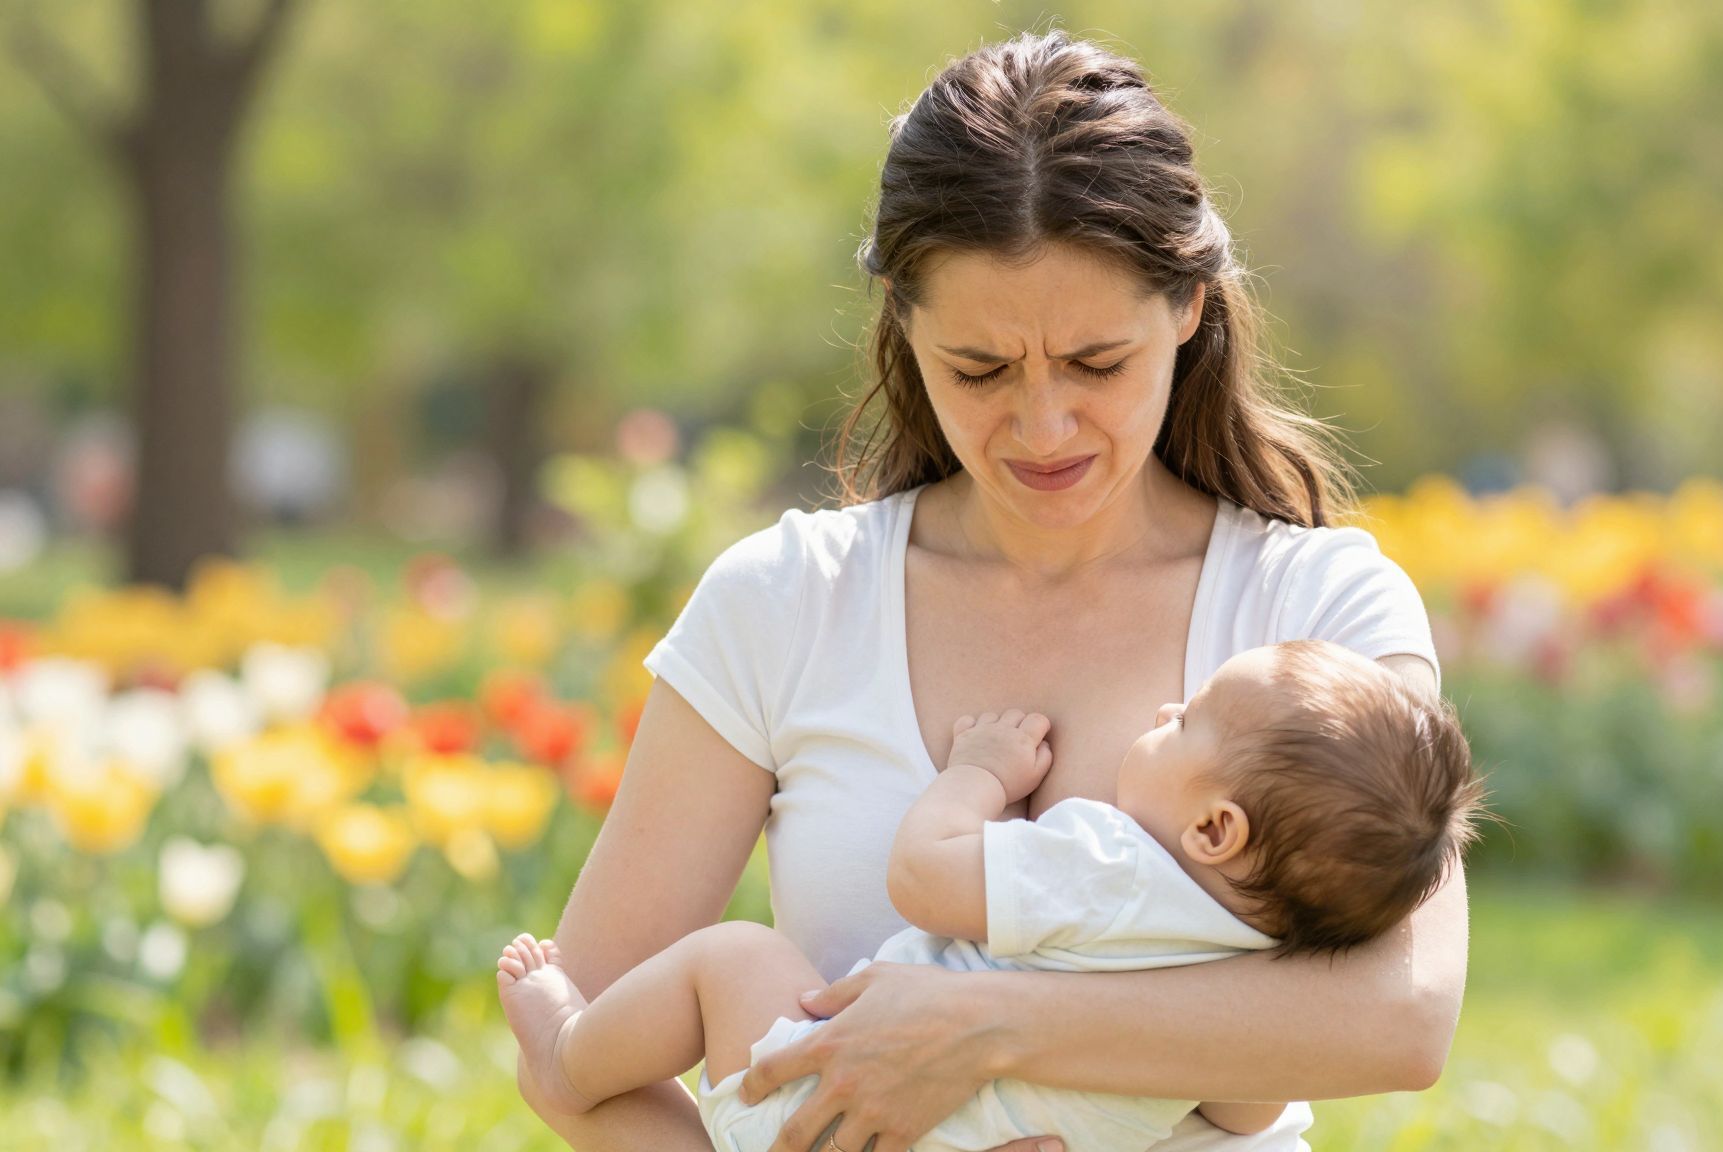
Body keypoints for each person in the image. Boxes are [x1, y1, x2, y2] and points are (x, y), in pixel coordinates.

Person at [516, 27, 1470, 1152]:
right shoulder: (785, 604)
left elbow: (1401, 1018)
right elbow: (574, 1052)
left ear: (1186, 311)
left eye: (1095, 365)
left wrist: (986, 1028)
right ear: (903, 331)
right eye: (979, 370)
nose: (1043, 425)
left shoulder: (1317, 616)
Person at [498, 642, 1482, 1151]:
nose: (1164, 709)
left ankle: (566, 1055)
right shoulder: (1257, 982)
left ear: (1215, 831)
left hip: (820, 1110)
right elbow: (1239, 1113)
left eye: (1189, 722)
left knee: (736, 958)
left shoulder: (1109, 865)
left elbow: (923, 876)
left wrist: (979, 774)